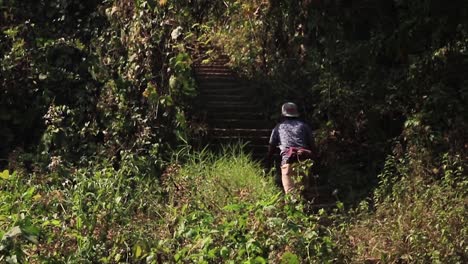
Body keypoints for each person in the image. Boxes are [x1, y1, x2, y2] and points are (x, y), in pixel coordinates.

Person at [266, 102, 316, 193]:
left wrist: (268, 160)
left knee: (291, 194)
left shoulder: (279, 127)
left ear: (283, 114)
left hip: (288, 160)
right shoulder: (304, 126)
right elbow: (312, 145)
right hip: (303, 160)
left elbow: (272, 146)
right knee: (304, 192)